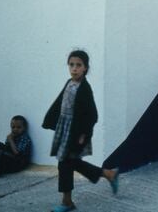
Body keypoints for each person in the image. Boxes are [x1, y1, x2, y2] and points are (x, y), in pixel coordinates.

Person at [42, 50, 119, 212]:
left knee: (65, 164)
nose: (74, 69)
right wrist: (51, 121)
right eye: (71, 65)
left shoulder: (85, 88)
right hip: (65, 130)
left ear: (85, 68)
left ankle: (67, 202)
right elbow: (59, 103)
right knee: (71, 163)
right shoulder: (69, 83)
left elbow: (92, 115)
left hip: (76, 133)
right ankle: (109, 174)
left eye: (78, 65)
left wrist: (84, 134)